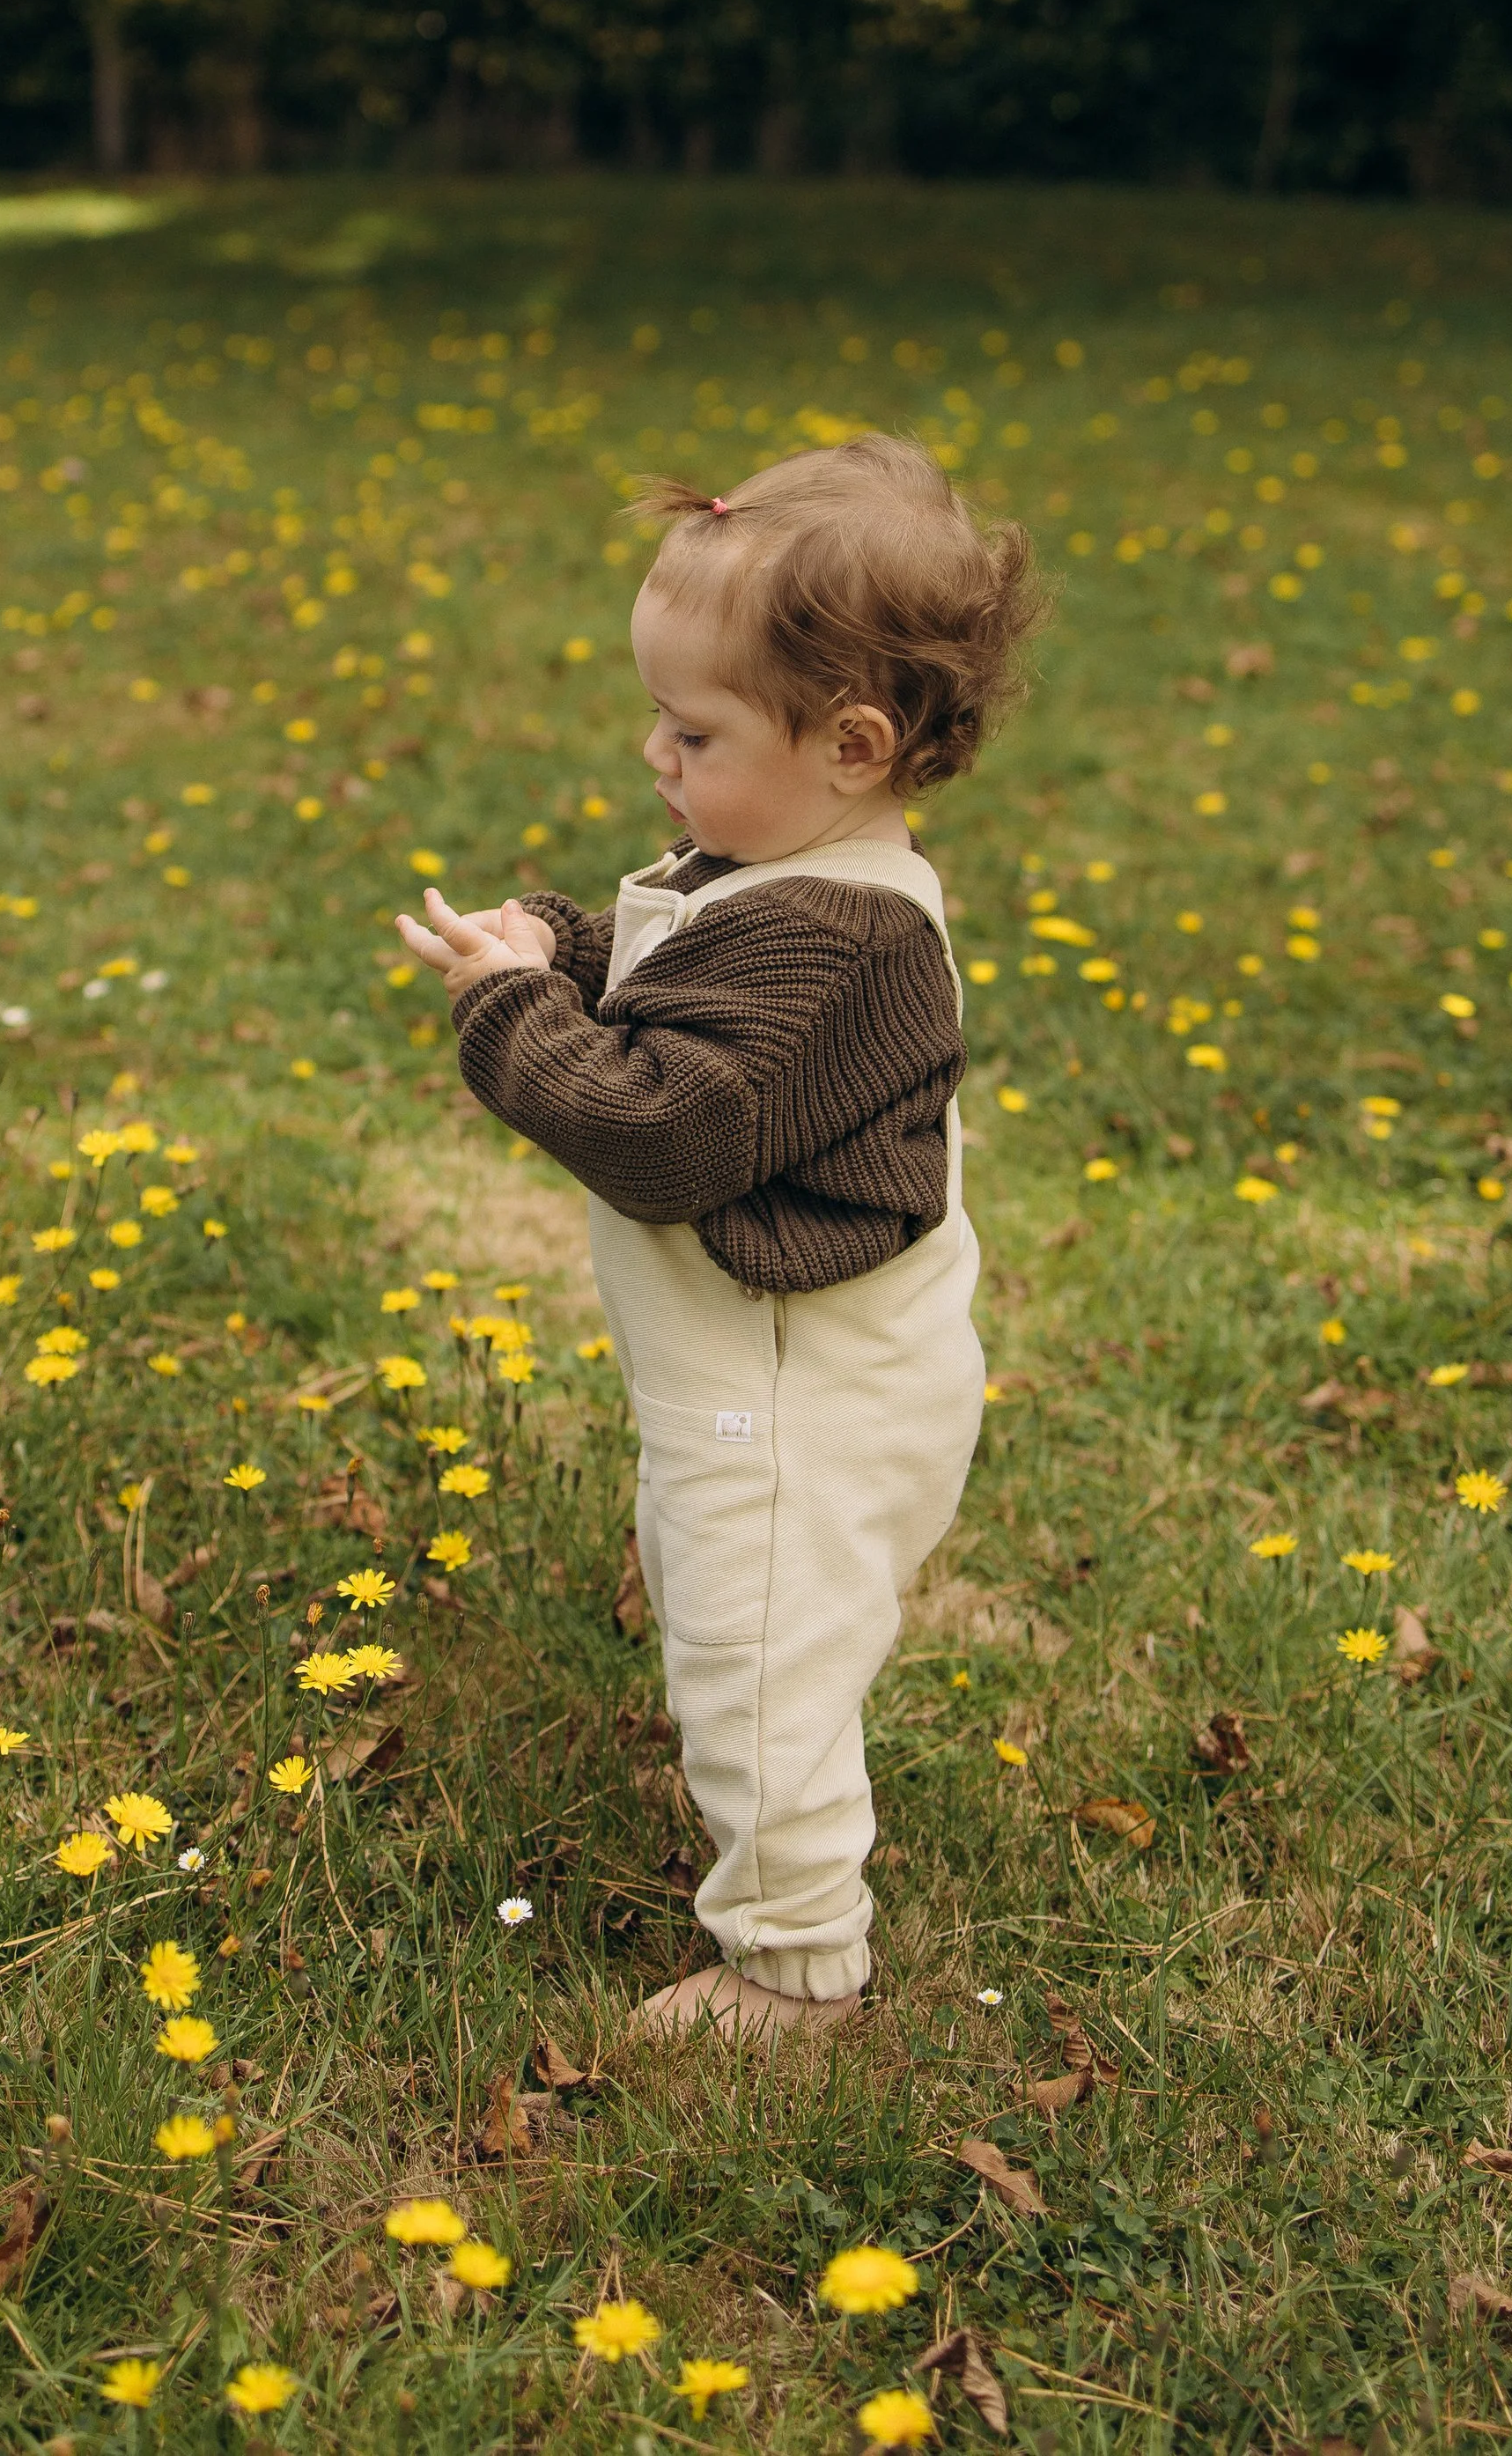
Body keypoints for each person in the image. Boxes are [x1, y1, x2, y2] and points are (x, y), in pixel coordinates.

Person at [395, 433, 1043, 2035]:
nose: (655, 754)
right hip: (756, 1386)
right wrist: (555, 938)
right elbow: (668, 952)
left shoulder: (835, 939)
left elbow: (660, 1129)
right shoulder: (787, 868)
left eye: (694, 729)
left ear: (852, 741)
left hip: (801, 1405)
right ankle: (780, 1843)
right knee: (738, 1628)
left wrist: (507, 1014)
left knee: (756, 1671)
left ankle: (800, 1965)